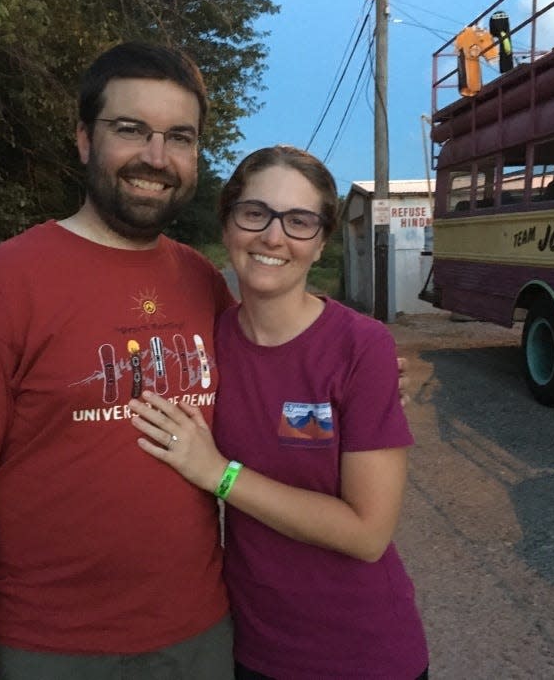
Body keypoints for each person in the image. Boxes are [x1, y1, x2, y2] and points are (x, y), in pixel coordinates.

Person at [0, 42, 236, 679]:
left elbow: (276, 388)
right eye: (130, 130)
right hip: (48, 648)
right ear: (84, 139)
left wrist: (350, 373)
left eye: (179, 137)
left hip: (200, 634)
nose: (156, 157)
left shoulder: (203, 282)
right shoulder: (7, 281)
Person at [129, 145, 430, 679]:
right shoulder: (208, 341)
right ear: (227, 227)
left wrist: (218, 475)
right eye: (255, 213)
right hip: (250, 649)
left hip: (361, 655)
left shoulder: (361, 347)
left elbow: (367, 533)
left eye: (299, 221)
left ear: (320, 245)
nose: (273, 236)